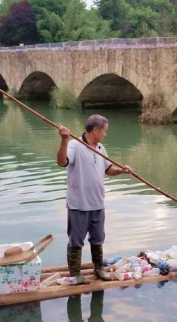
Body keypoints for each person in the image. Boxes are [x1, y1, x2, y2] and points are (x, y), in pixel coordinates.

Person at [57, 114, 133, 285]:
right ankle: (75, 274)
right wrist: (63, 140)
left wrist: (122, 170)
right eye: (104, 131)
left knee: (98, 238)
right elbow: (62, 162)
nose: (105, 134)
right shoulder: (74, 145)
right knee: (76, 240)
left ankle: (99, 269)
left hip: (98, 203)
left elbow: (108, 169)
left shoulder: (100, 148)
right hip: (78, 204)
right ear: (96, 130)